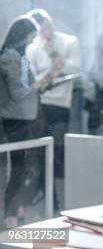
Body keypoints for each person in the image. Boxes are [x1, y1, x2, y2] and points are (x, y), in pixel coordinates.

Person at [0, 16, 52, 227]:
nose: (32, 42)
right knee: (19, 168)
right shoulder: (11, 57)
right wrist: (36, 87)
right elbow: (18, 92)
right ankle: (10, 215)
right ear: (22, 35)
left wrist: (40, 84)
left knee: (25, 168)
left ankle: (16, 212)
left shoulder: (18, 56)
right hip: (16, 118)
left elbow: (24, 86)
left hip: (25, 116)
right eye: (31, 37)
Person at [25, 9, 82, 202]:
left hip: (61, 105)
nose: (46, 32)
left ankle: (59, 198)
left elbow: (75, 69)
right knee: (40, 152)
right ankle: (48, 196)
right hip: (39, 104)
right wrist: (52, 73)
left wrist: (53, 53)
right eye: (41, 29)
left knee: (58, 151)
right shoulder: (32, 47)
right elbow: (32, 79)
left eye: (48, 26)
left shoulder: (69, 42)